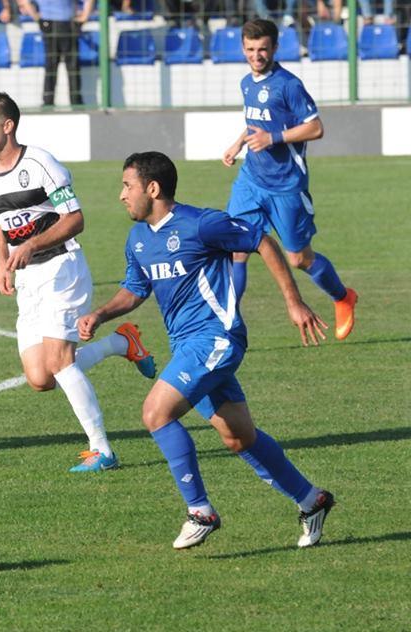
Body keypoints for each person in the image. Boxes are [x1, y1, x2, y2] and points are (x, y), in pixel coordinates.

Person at [78, 151, 335, 549]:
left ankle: (200, 511)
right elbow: (135, 289)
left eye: (127, 186)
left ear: (152, 188)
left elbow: (261, 240)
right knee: (239, 438)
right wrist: (101, 314)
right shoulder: (138, 239)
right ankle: (311, 499)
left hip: (216, 338)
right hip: (186, 345)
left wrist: (293, 301)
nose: (121, 195)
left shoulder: (201, 224)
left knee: (155, 413)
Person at [0, 92, 156, 473]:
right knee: (40, 378)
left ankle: (102, 450)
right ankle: (121, 343)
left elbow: (75, 219)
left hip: (61, 269)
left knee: (59, 361)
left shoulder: (41, 163)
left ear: (8, 126)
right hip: (28, 280)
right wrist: (3, 262)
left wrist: (32, 245)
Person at [223, 19, 357, 340]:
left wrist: (273, 138)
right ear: (243, 48)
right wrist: (239, 143)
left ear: (275, 48)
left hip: (286, 187)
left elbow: (316, 128)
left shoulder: (289, 85)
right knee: (236, 248)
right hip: (251, 180)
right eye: (250, 49)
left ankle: (343, 297)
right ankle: (226, 324)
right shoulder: (246, 83)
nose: (256, 55)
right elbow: (257, 121)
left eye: (263, 49)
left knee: (299, 258)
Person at [20, 0, 87, 107]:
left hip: (50, 23)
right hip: (67, 24)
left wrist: (37, 19)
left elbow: (24, 2)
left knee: (51, 66)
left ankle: (48, 102)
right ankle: (75, 101)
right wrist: (85, 16)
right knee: (72, 66)